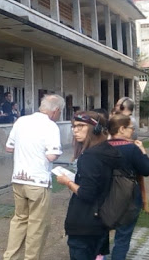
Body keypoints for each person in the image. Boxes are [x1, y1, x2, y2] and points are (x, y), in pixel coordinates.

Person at [3, 93, 64, 260]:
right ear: (55, 110)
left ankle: (10, 257)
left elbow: (9, 147)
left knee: (19, 220)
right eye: (60, 112)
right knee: (37, 224)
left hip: (18, 179)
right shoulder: (51, 126)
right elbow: (52, 155)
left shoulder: (21, 121)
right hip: (39, 181)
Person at [55, 111, 121, 260]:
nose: (75, 130)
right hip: (101, 220)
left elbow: (87, 193)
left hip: (85, 223)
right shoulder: (107, 150)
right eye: (74, 126)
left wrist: (68, 182)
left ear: (95, 129)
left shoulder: (90, 157)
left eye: (81, 126)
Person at [105, 114, 149, 260]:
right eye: (131, 128)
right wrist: (143, 152)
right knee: (122, 238)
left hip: (104, 197)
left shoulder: (101, 147)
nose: (133, 131)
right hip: (128, 198)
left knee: (101, 235)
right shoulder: (132, 149)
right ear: (122, 129)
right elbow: (146, 170)